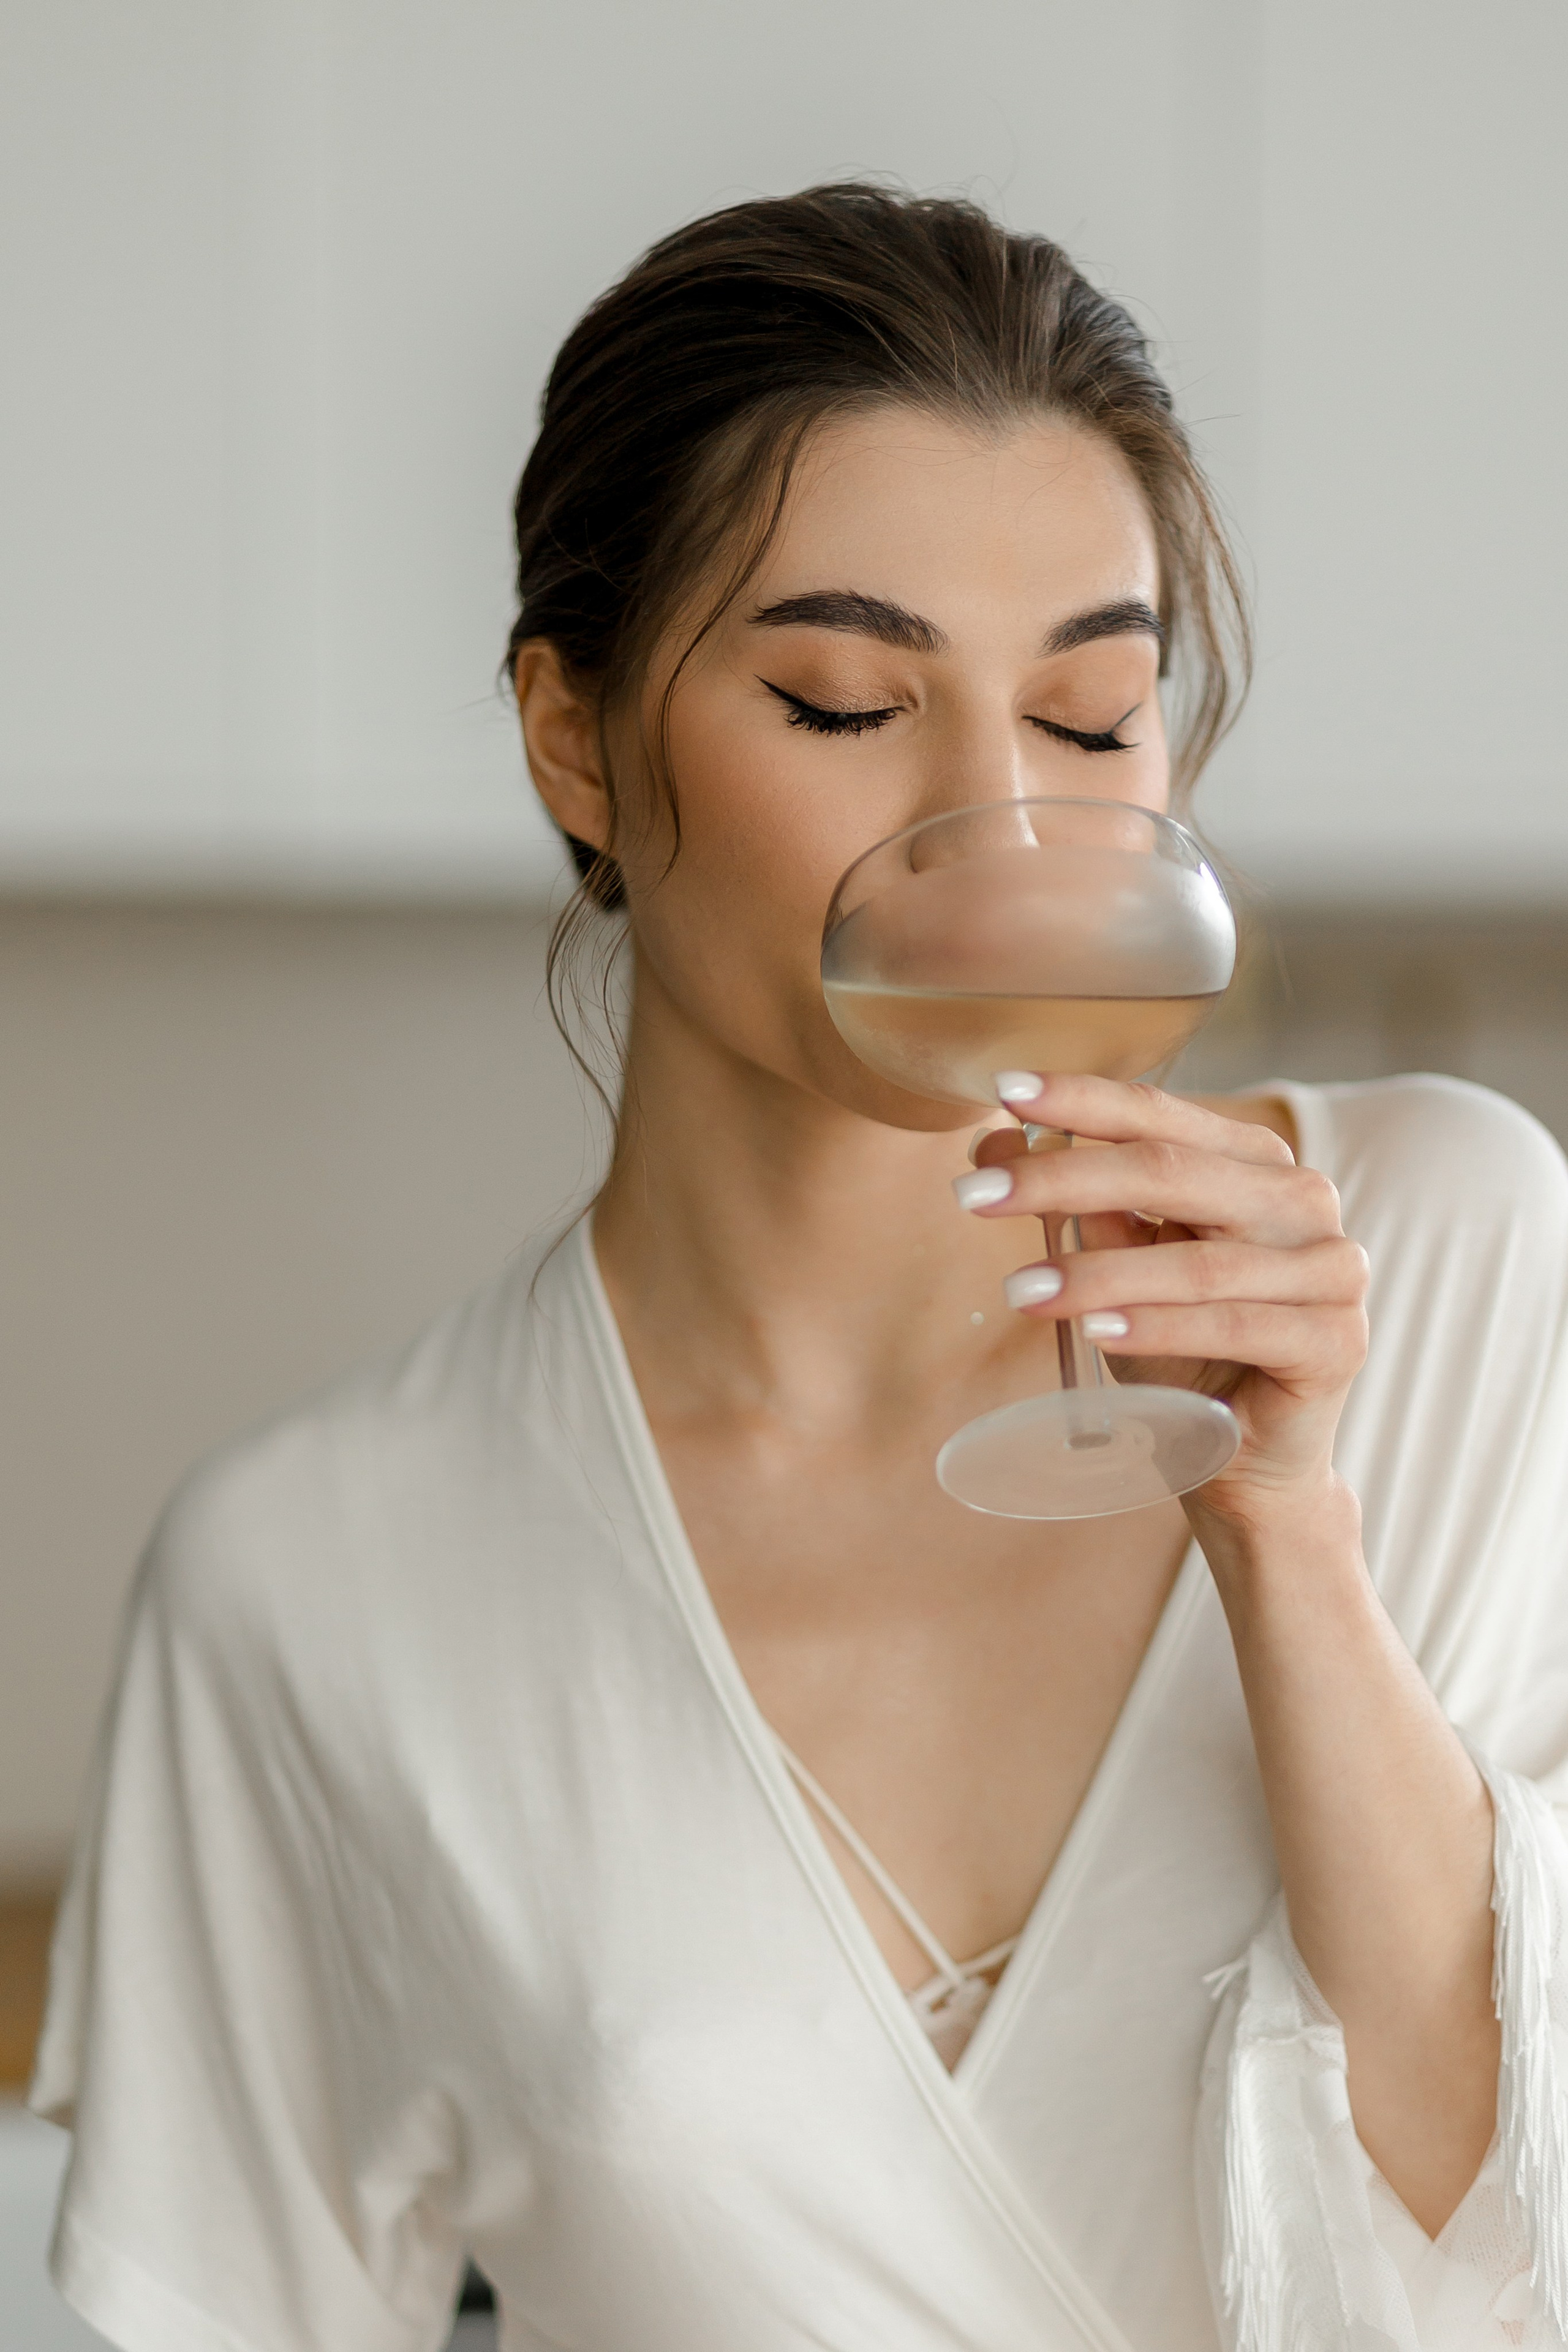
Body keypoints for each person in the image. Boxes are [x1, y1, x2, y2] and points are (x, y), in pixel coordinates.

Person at [31, 184, 1568, 2352]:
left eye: (1092, 717)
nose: (1002, 833)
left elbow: (1505, 2214)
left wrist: (1290, 1531)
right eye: (848, 707)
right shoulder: (313, 1577)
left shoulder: (1452, 1262)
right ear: (577, 736)